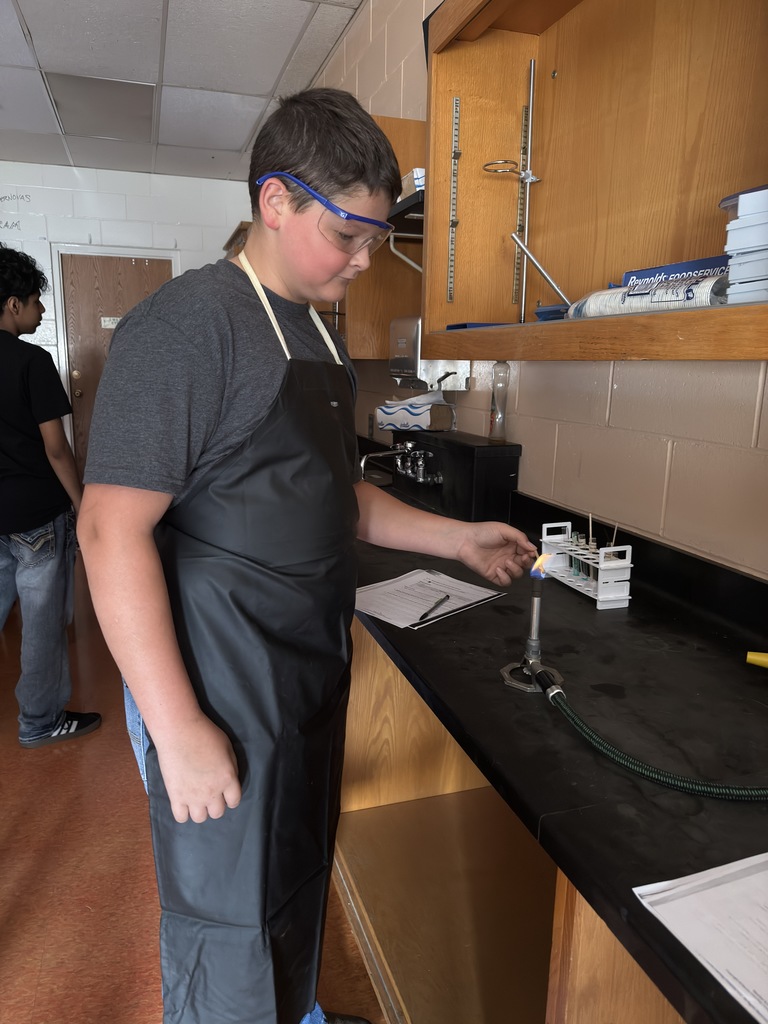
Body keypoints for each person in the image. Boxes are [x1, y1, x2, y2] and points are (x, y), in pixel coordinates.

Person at [77, 88, 537, 1024]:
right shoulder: (188, 326)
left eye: (378, 238)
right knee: (224, 916)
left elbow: (338, 495)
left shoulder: (315, 326)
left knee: (290, 878)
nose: (366, 262)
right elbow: (107, 530)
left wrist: (456, 535)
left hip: (298, 672)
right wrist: (178, 731)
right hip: (214, 679)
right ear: (275, 202)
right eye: (351, 236)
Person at [0, 245, 101, 748]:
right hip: (36, 515)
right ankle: (39, 723)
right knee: (41, 627)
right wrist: (84, 505)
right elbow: (57, 450)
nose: (41, 313)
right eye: (37, 302)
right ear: (12, 304)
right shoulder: (31, 362)